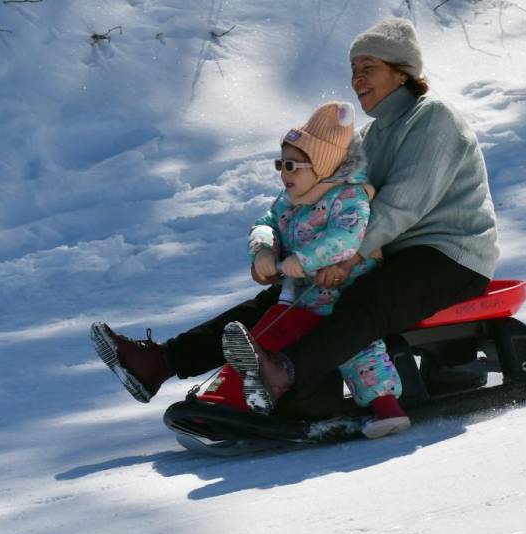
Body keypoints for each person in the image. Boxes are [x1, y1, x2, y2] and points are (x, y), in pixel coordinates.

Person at [90, 17, 498, 421]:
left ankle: (284, 373)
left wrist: (346, 259)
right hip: (382, 252)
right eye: (354, 70)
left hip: (449, 255)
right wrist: (283, 252)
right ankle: (161, 362)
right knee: (284, 297)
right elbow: (319, 197)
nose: (357, 79)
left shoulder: (434, 118)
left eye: (368, 68)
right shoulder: (369, 137)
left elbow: (403, 205)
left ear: (402, 73)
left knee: (363, 301)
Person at [220, 100, 411, 438]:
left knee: (354, 346)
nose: (284, 173)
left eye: (293, 165)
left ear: (321, 165)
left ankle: (387, 408)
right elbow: (266, 223)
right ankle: (242, 396)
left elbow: (346, 238)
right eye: (280, 163)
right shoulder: (290, 198)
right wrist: (264, 248)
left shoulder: (349, 197)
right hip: (302, 296)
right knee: (272, 338)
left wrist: (304, 259)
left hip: (347, 291)